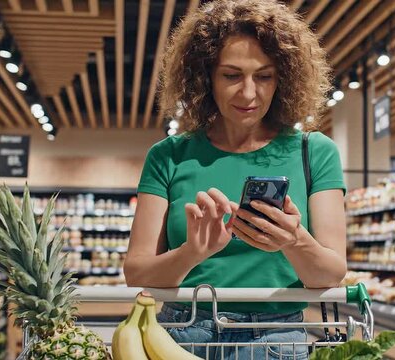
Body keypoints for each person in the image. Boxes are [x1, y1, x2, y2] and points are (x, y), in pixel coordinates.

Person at [124, 0, 347, 358]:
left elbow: (331, 273)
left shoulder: (314, 152)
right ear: (205, 76)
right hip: (181, 335)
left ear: (283, 78)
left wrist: (293, 240)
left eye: (264, 76)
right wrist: (192, 253)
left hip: (276, 337)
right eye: (231, 75)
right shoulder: (168, 155)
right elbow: (136, 272)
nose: (248, 93)